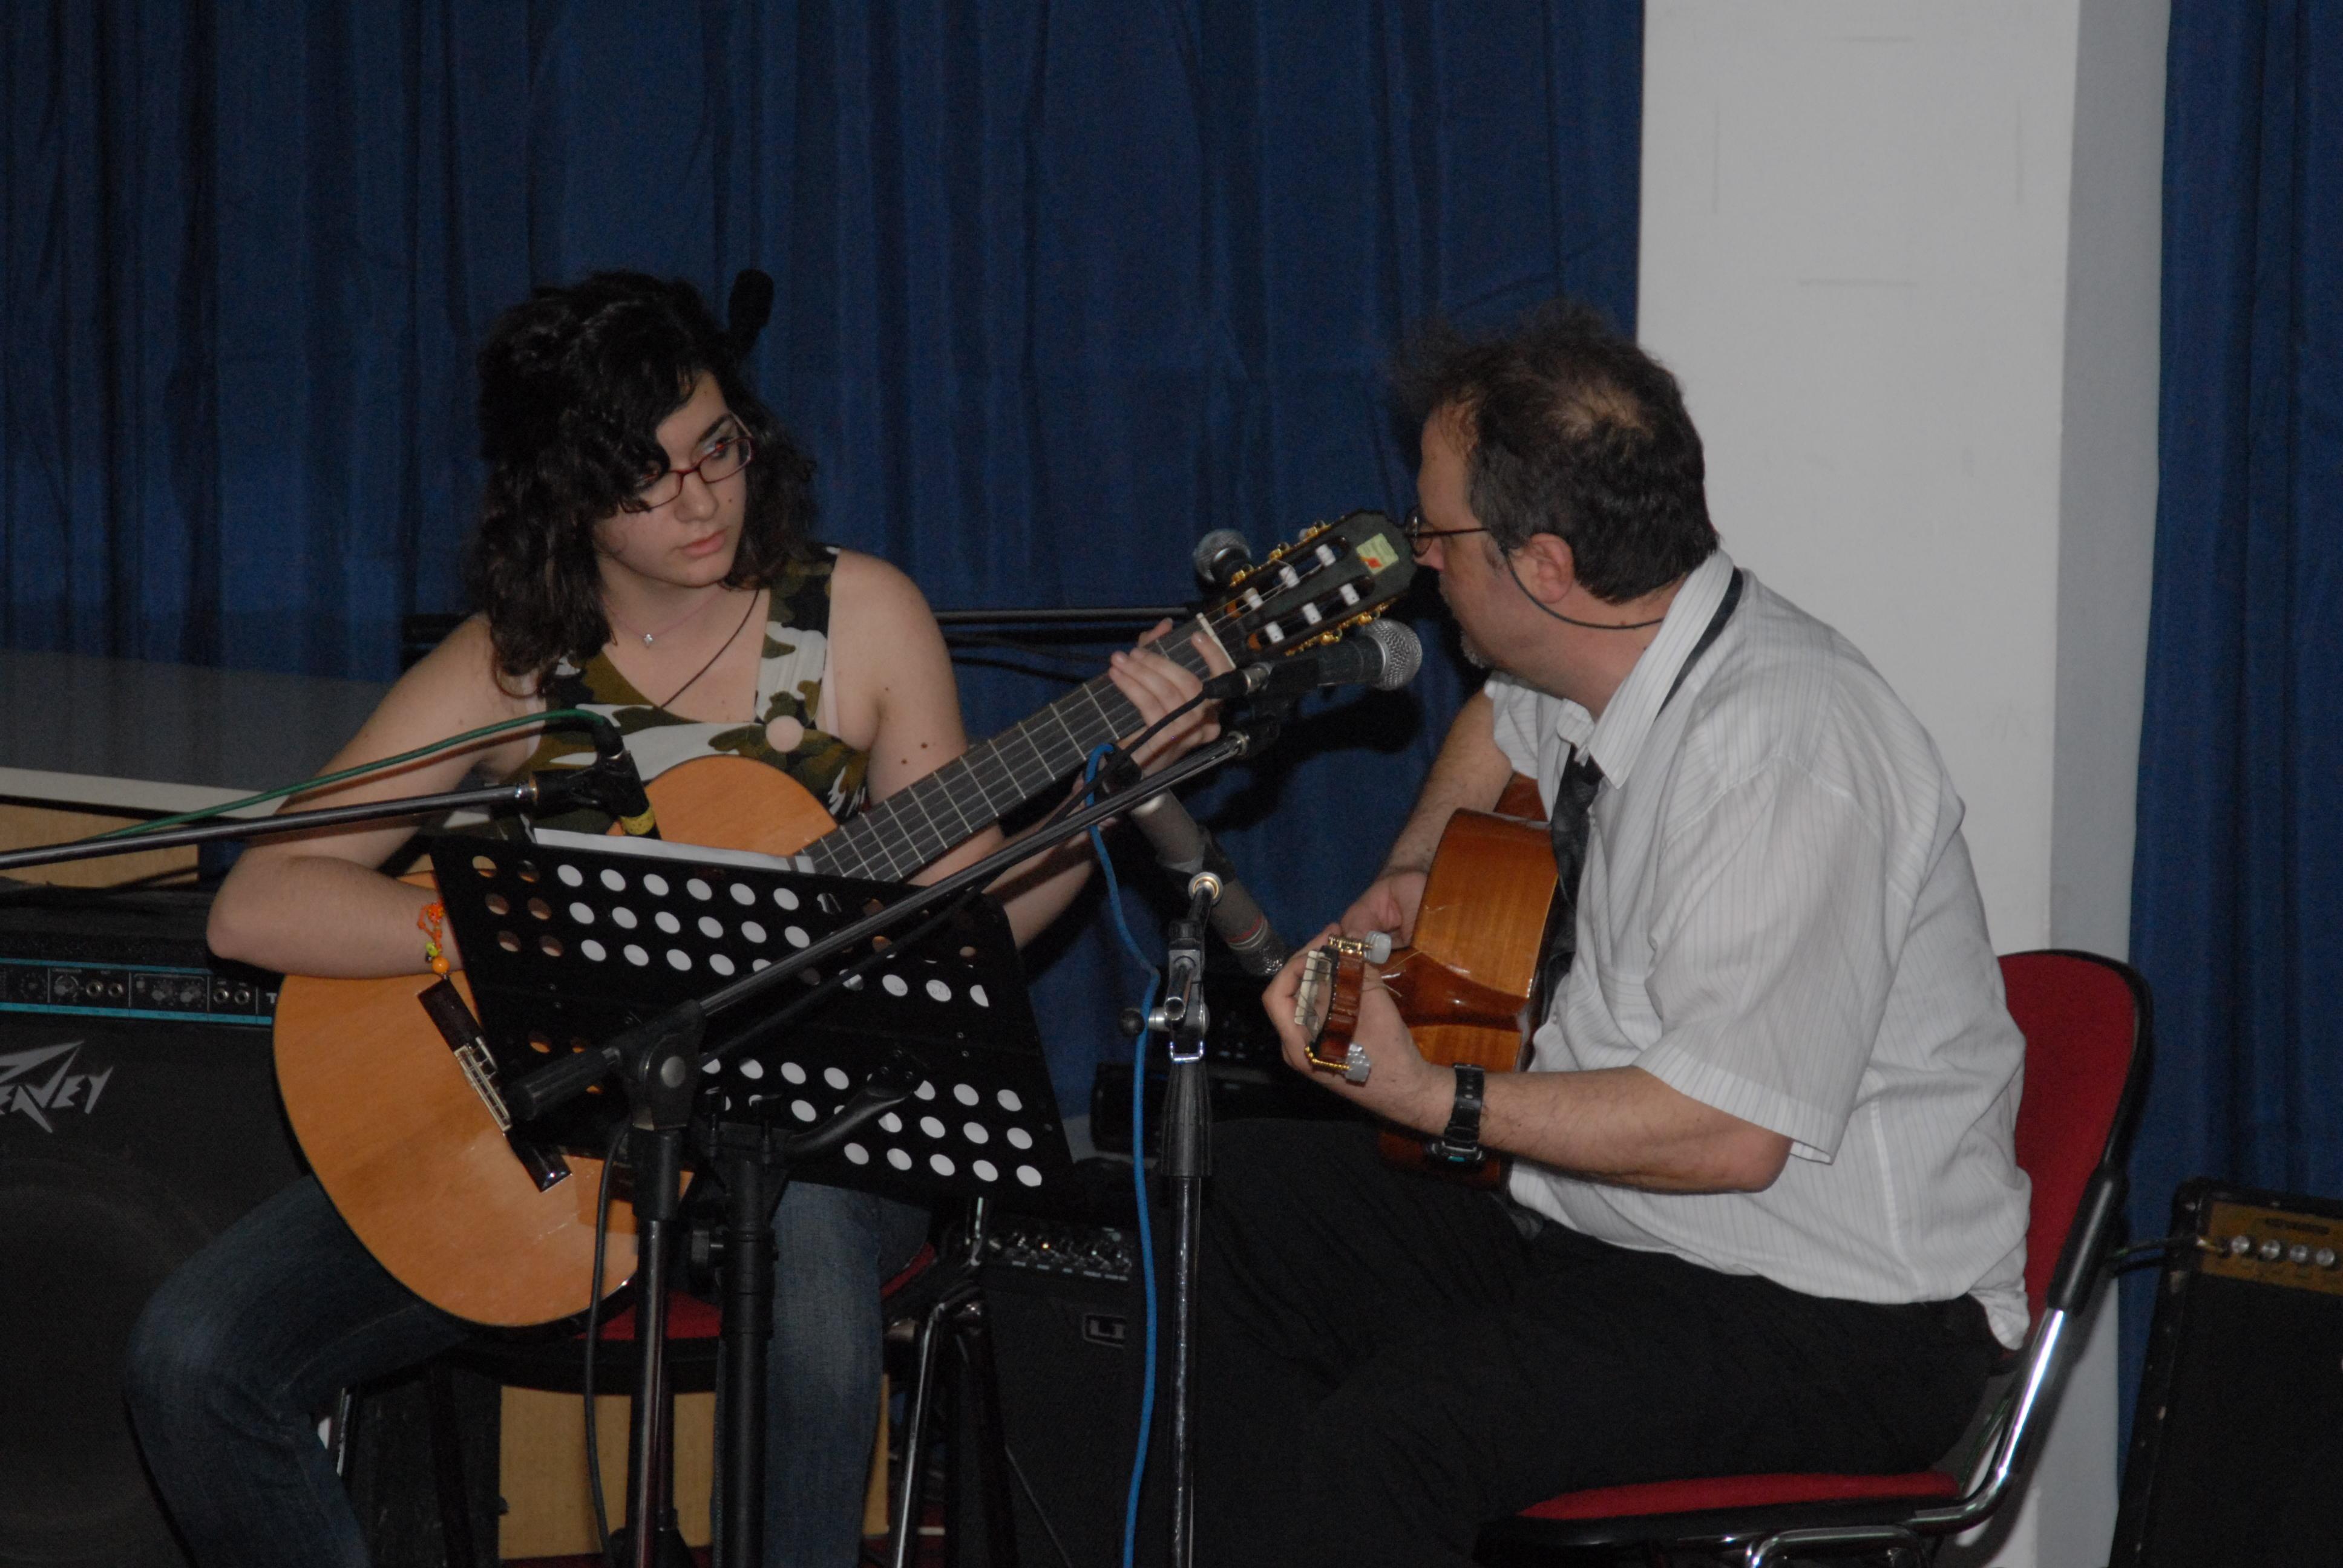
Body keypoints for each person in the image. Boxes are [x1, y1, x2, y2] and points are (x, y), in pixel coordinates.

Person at [123, 270, 1219, 1568]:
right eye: (643, 478)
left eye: (717, 450)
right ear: (563, 493)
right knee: (195, 1357)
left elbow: (966, 918)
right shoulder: (514, 665)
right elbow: (259, 905)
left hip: (822, 1120)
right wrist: (505, 935)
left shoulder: (858, 618)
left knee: (809, 1278)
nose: (699, 501)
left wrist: (1097, 806)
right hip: (559, 1148)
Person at [1198, 298, 2030, 1568]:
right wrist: (1422, 860)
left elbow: (1726, 1133)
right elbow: (1502, 717)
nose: (1420, 560)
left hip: (1839, 1308)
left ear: (1542, 567)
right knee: (1217, 1203)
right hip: (1613, 1231)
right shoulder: (1610, 653)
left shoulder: (1784, 754)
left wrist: (1432, 1097)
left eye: (1436, 533)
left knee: (1398, 1438)